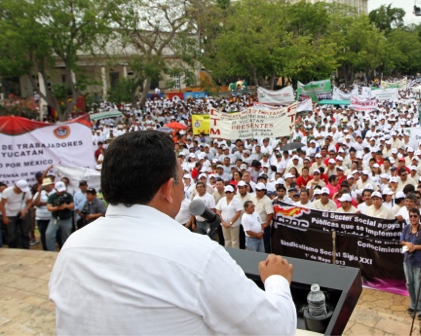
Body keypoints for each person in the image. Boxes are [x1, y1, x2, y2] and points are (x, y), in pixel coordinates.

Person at [49, 130, 296, 334]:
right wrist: (277, 281)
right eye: (181, 178)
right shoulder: (197, 255)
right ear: (168, 189)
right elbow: (274, 329)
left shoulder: (72, 247)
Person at [400, 207, 421, 319]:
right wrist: (407, 243)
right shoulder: (406, 228)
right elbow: (401, 241)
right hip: (407, 260)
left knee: (420, 286)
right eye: (411, 216)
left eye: (415, 216)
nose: (413, 218)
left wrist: (416, 247)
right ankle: (413, 304)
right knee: (409, 284)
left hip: (420, 262)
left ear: (419, 217)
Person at [0, 179, 33, 249]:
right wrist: (4, 217)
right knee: (12, 233)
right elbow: (2, 204)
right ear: (16, 187)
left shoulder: (26, 191)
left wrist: (25, 210)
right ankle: (12, 248)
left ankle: (26, 248)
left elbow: (30, 202)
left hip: (22, 213)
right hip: (10, 214)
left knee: (25, 232)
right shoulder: (7, 191)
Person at [45, 181, 74, 251]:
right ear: (56, 189)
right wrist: (57, 208)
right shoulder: (52, 196)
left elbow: (72, 205)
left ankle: (67, 250)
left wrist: (66, 206)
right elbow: (49, 207)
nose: (62, 192)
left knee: (66, 236)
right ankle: (51, 250)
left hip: (66, 219)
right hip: (55, 218)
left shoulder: (68, 195)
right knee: (49, 234)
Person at [216, 184, 243, 249]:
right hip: (224, 224)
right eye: (226, 192)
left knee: (234, 241)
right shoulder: (222, 200)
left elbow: (238, 213)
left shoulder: (237, 201)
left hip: (234, 225)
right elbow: (218, 211)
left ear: (233, 192)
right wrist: (222, 221)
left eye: (229, 192)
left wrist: (231, 223)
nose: (228, 194)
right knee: (227, 240)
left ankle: (235, 255)